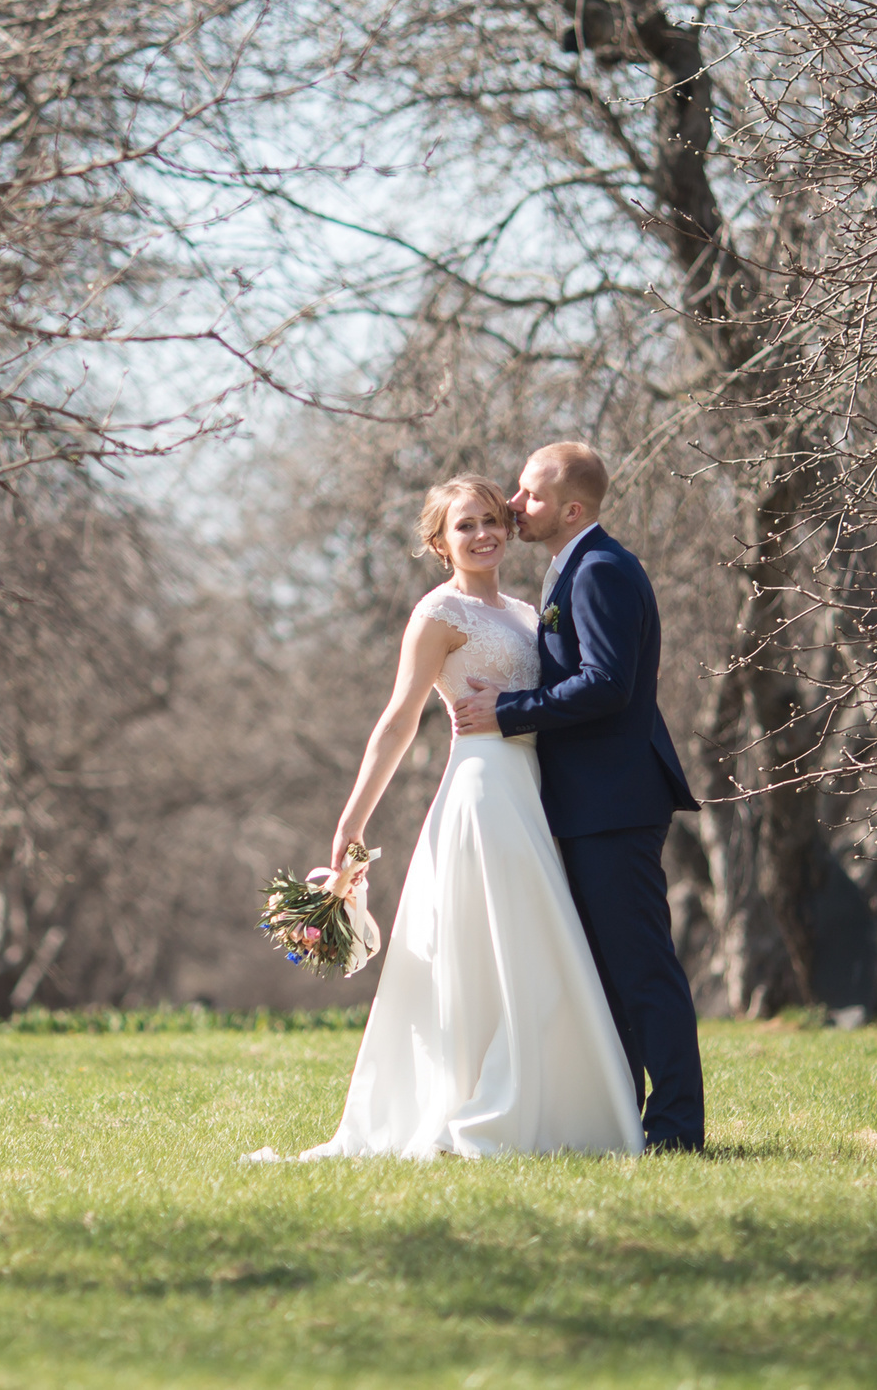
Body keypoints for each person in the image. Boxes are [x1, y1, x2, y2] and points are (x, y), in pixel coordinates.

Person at [287, 473, 643, 1159]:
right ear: (439, 542)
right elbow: (397, 722)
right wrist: (350, 824)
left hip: (536, 786)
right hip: (483, 791)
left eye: (490, 520)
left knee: (535, 947)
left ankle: (546, 1105)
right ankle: (483, 1108)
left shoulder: (524, 610)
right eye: (464, 525)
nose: (482, 534)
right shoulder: (437, 616)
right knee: (503, 946)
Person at [451, 440, 705, 1151]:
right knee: (607, 977)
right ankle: (623, 1119)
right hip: (586, 802)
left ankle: (678, 1129)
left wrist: (511, 709)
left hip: (615, 802)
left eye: (528, 494)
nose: (512, 503)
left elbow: (607, 683)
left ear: (570, 508)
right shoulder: (573, 570)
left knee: (643, 971)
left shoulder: (600, 570)